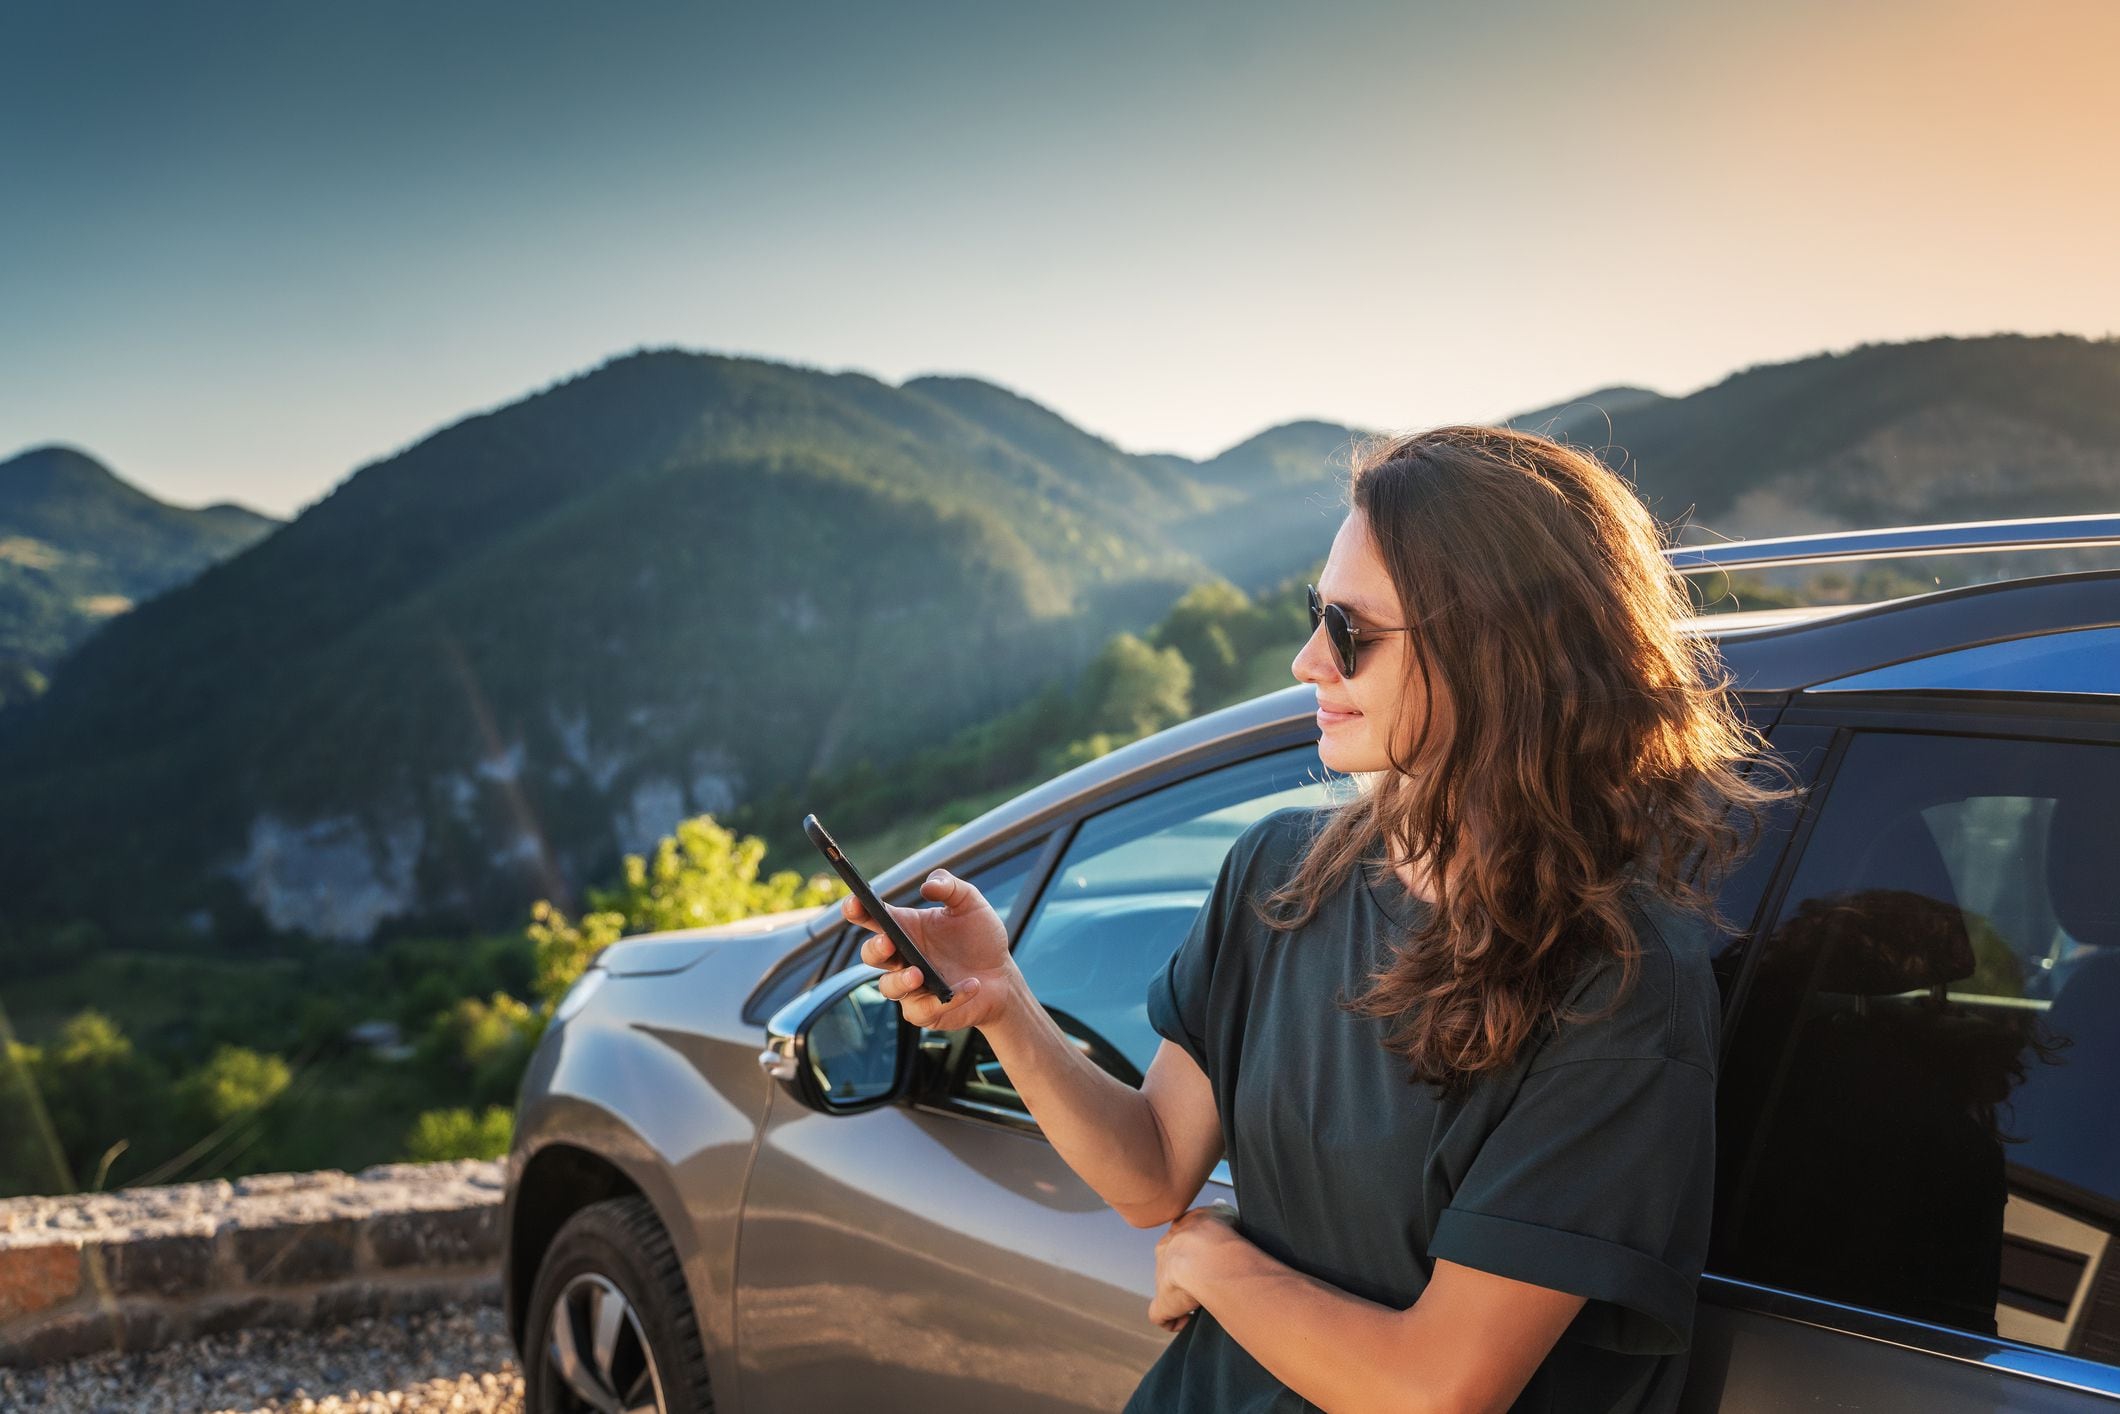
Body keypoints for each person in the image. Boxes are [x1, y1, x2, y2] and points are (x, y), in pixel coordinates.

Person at [841, 425, 1803, 1413]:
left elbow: (1434, 1388)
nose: (1306, 661)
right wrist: (1004, 1002)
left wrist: (1216, 1265)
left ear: (1499, 655)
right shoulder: (1279, 872)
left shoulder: (1621, 985)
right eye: (1315, 616)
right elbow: (1150, 1171)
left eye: (1349, 631)